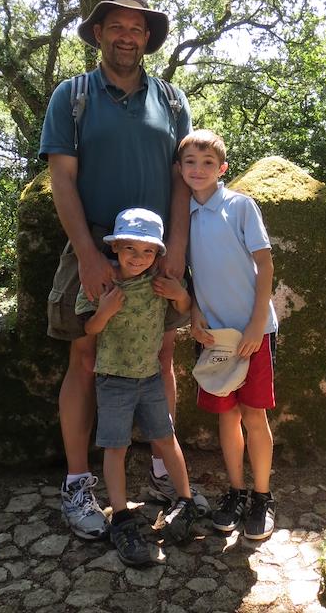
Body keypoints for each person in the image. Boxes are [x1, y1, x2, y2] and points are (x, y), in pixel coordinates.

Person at [39, 0, 205, 540]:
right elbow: (62, 179)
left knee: (163, 354)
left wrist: (177, 248)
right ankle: (78, 483)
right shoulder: (73, 96)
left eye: (137, 28)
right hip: (96, 245)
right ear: (99, 33)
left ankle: (161, 469)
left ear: (147, 38)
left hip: (157, 251)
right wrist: (89, 256)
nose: (127, 36)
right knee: (85, 359)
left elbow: (182, 181)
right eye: (117, 26)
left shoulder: (172, 101)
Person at [74, 207, 199, 565]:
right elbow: (88, 328)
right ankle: (121, 516)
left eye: (147, 251)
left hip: (150, 377)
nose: (138, 257)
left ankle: (186, 502)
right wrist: (105, 311)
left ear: (157, 254)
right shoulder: (103, 283)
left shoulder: (157, 281)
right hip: (114, 379)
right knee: (115, 447)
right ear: (115, 247)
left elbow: (185, 307)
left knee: (166, 437)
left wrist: (178, 293)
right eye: (130, 248)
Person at [178, 129, 279, 541]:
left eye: (207, 163)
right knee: (227, 414)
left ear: (222, 169)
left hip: (253, 332)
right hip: (216, 336)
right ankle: (236, 492)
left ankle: (262, 496)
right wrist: (195, 315)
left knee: (254, 414)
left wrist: (256, 324)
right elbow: (192, 273)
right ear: (179, 168)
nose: (198, 169)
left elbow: (265, 265)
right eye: (190, 162)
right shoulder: (183, 216)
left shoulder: (240, 206)